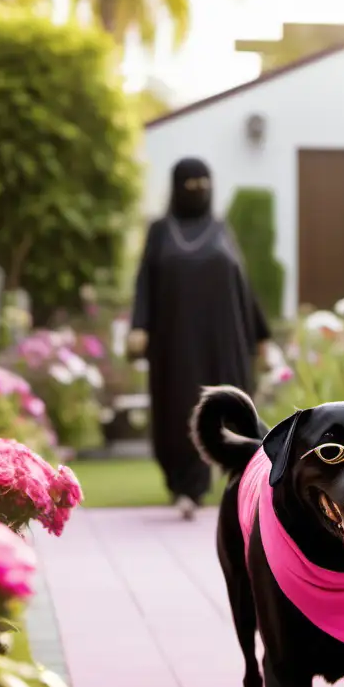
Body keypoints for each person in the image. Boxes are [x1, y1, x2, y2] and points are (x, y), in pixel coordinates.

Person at [129, 158, 277, 519]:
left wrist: (261, 336)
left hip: (223, 339)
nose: (198, 190)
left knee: (231, 404)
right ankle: (186, 487)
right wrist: (139, 326)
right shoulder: (161, 230)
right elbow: (145, 281)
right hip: (175, 341)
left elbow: (243, 287)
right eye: (190, 184)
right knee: (179, 406)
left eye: (204, 183)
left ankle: (244, 482)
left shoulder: (221, 229)